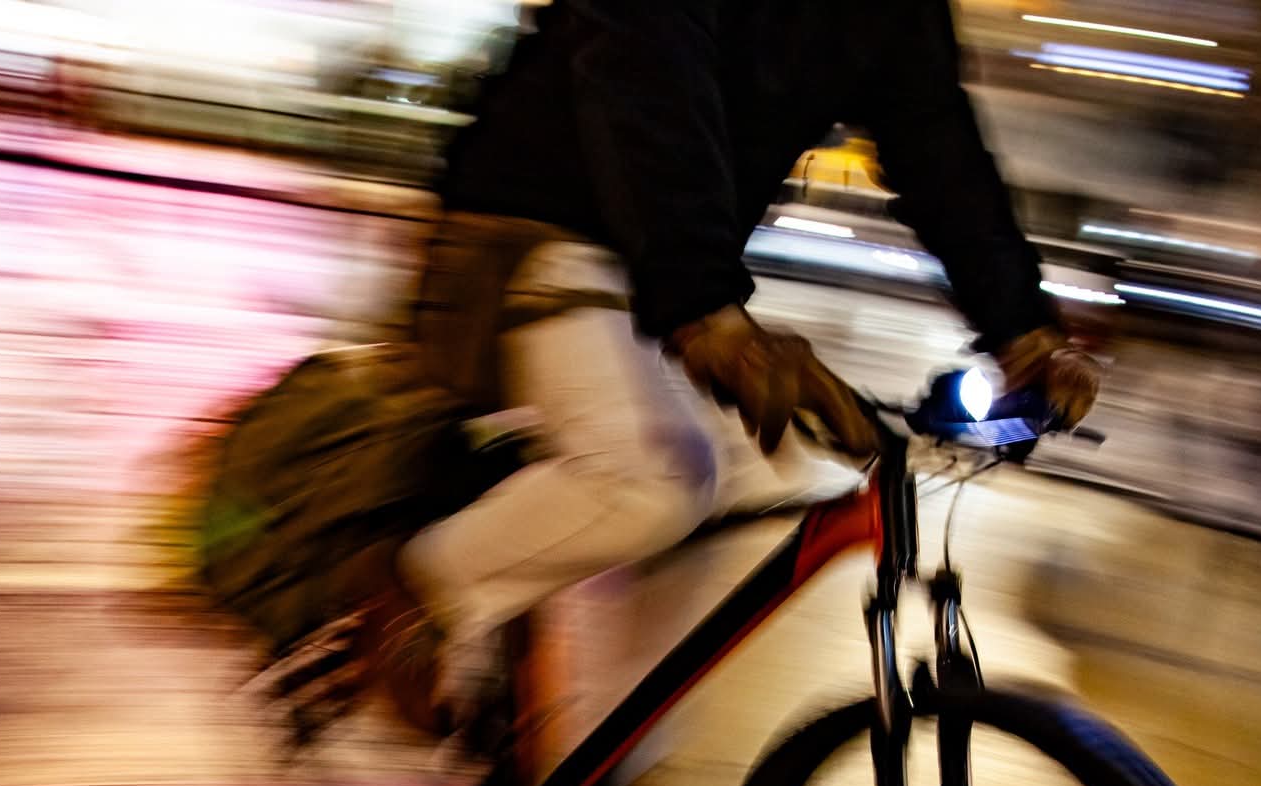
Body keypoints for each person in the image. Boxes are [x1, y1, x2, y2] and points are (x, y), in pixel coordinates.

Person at [367, 0, 1101, 732]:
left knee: (756, 478)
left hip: (662, 263)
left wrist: (1025, 333)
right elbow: (644, 73)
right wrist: (702, 304)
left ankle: (600, 757)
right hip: (528, 232)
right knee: (661, 478)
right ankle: (417, 593)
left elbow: (939, 150)